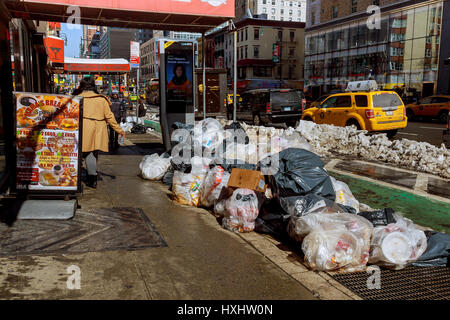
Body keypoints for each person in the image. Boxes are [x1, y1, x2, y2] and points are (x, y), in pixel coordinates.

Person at [75, 77, 125, 188]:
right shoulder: (102, 99)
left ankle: (76, 178)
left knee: (78, 153)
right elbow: (109, 117)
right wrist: (119, 130)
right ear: (94, 86)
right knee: (92, 153)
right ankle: (92, 180)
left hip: (82, 127)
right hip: (98, 128)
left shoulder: (77, 99)